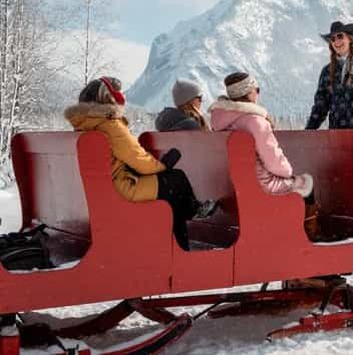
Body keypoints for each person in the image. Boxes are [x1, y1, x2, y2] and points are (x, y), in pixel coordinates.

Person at [64, 77, 217, 250]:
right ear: (111, 99)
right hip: (123, 187)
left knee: (172, 187)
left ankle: (186, 226)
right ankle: (183, 239)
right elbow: (138, 160)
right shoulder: (110, 125)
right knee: (175, 181)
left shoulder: (85, 124)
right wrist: (163, 166)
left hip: (105, 187)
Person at [209, 72, 313, 198]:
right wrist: (288, 172)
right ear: (248, 93)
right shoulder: (255, 122)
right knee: (306, 183)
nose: (258, 94)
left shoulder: (218, 122)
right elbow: (273, 160)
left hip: (231, 186)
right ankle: (300, 217)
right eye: (256, 90)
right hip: (263, 184)